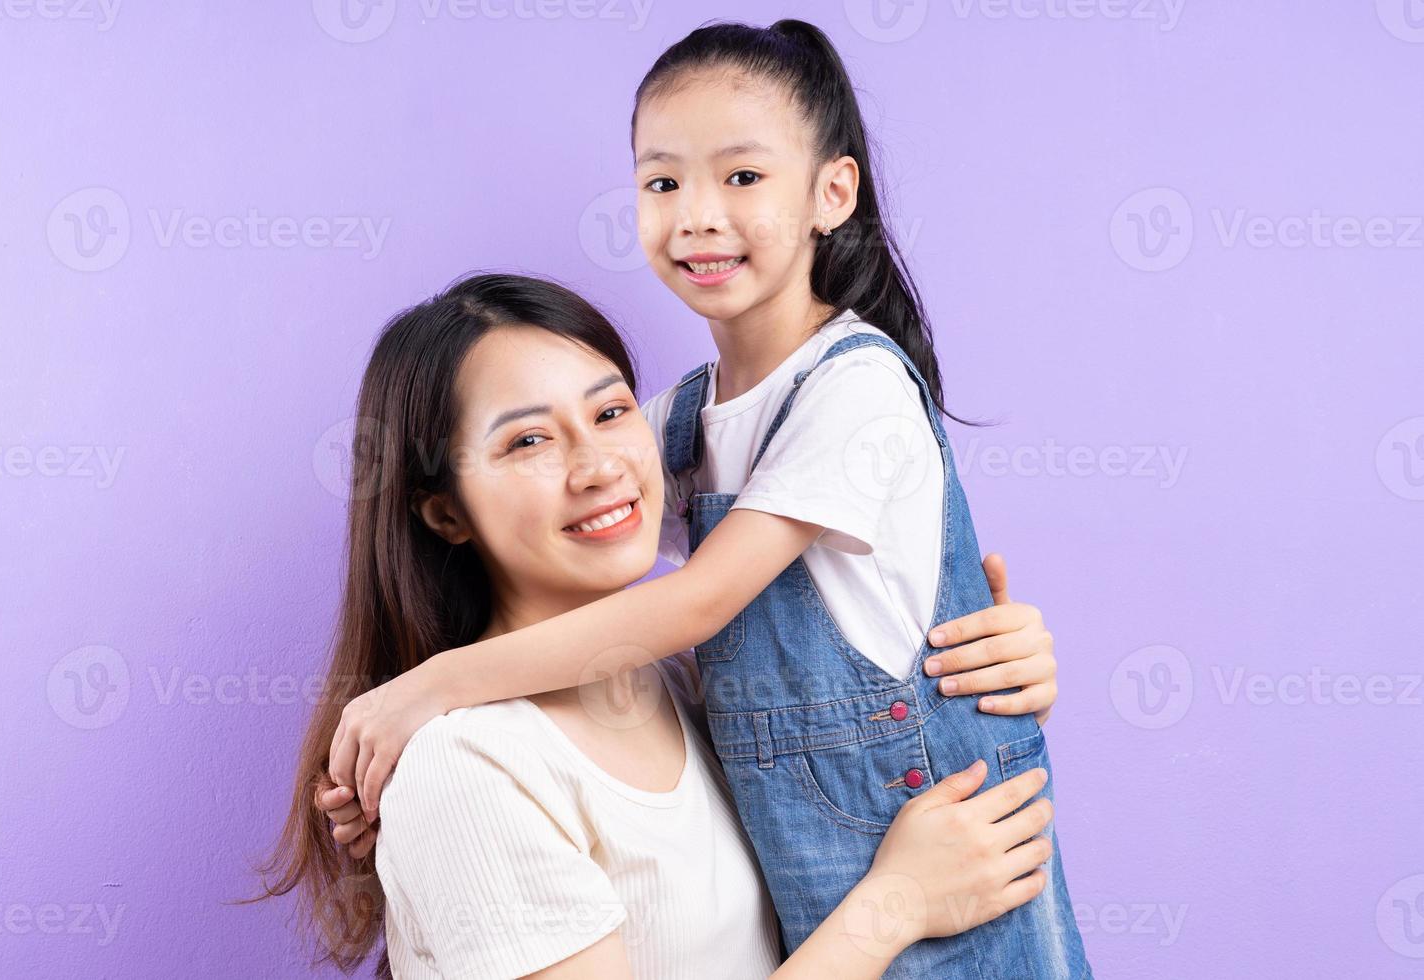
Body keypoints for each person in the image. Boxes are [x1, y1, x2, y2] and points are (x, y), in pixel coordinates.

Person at [265, 274, 1057, 977]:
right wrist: (895, 907)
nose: (601, 465)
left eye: (611, 411)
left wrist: (970, 679)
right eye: (529, 440)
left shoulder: (695, 685)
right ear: (446, 513)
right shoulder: (466, 768)